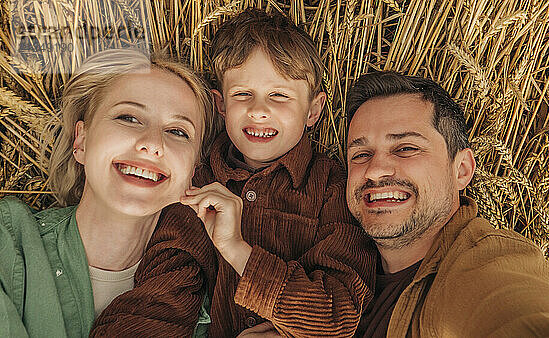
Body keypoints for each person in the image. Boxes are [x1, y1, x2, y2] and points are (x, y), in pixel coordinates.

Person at [93, 8, 376, 337]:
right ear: (221, 104)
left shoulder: (334, 188)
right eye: (243, 95)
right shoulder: (195, 184)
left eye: (279, 96)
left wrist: (236, 249)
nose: (258, 110)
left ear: (313, 110)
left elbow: (337, 318)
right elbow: (162, 300)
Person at [345, 71, 549, 337]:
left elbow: (521, 314)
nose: (374, 170)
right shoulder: (331, 257)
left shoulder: (485, 263)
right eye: (360, 154)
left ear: (462, 170)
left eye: (406, 148)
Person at [0, 49, 219, 337]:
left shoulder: (207, 294)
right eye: (129, 118)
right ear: (81, 140)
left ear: (193, 170)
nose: (153, 144)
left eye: (178, 132)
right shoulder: (8, 239)